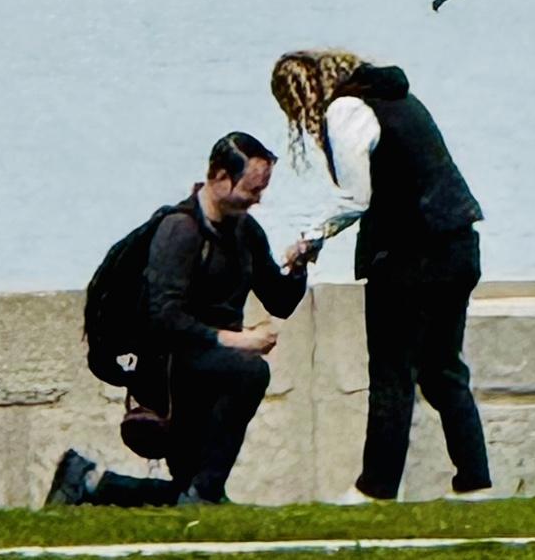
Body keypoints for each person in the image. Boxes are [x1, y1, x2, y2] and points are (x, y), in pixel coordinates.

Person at [45, 131, 315, 507]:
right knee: (251, 372)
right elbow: (164, 319)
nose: (258, 199)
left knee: (185, 490)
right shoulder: (179, 230)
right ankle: (203, 493)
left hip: (209, 363)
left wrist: (299, 265)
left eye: (262, 190)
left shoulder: (245, 231)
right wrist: (237, 341)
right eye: (253, 189)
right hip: (170, 368)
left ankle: (88, 482)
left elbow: (280, 301)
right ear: (220, 177)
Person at [270, 50, 491, 502]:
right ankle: (474, 482)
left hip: (409, 256)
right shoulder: (402, 101)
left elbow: (356, 196)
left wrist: (310, 239)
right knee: (443, 370)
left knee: (392, 372)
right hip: (458, 244)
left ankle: (376, 488)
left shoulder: (347, 109)